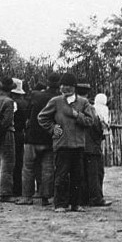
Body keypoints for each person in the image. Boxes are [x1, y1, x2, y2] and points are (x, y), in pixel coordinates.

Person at [38, 72, 96, 213]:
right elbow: (42, 117)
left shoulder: (83, 102)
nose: (66, 88)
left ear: (74, 88)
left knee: (78, 176)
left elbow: (90, 121)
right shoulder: (55, 101)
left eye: (69, 86)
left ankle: (76, 204)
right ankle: (60, 204)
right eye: (63, 86)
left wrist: (77, 115)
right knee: (61, 176)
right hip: (62, 144)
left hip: (78, 145)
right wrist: (52, 128)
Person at [19, 73, 60, 206]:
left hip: (32, 137)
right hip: (48, 137)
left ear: (47, 82)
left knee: (28, 168)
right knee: (48, 169)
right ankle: (46, 197)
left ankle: (26, 197)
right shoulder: (59, 99)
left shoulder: (35, 95)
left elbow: (26, 113)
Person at [75, 83, 111, 207]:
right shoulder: (90, 108)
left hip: (77, 145)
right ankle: (96, 198)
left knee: (81, 174)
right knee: (95, 173)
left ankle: (82, 198)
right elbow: (97, 127)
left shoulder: (72, 107)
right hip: (92, 146)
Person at [10, 78, 28, 198]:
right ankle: (18, 187)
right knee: (19, 161)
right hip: (22, 133)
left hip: (13, 133)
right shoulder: (25, 103)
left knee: (12, 161)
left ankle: (14, 188)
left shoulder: (13, 103)